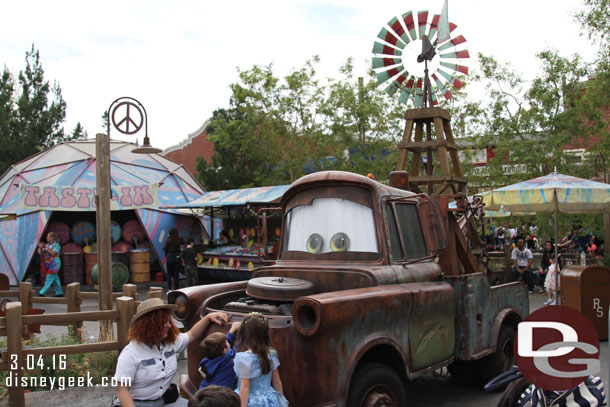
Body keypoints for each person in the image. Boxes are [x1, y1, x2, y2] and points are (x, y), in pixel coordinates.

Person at [113, 298, 228, 407]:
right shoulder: (130, 354)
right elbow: (123, 391)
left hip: (165, 400)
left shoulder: (169, 343)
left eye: (169, 321)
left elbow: (192, 334)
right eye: (163, 322)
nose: (168, 325)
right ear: (149, 325)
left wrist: (208, 317)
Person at [234, 313, 288, 407]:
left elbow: (245, 387)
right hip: (270, 399)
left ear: (245, 335)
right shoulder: (271, 354)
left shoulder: (244, 358)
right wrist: (282, 401)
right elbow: (277, 381)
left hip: (249, 400)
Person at [198, 322, 241, 390]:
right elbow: (239, 347)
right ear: (225, 351)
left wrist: (232, 330)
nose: (227, 341)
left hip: (204, 389)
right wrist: (243, 332)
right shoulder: (228, 357)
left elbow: (222, 344)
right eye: (226, 342)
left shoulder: (206, 360)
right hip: (221, 393)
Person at [38, 232, 63, 297]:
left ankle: (42, 292)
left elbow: (53, 253)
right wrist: (41, 248)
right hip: (49, 262)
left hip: (55, 262)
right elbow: (43, 253)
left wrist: (46, 249)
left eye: (48, 237)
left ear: (52, 238)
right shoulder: (48, 245)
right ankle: (59, 292)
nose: (47, 238)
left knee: (49, 277)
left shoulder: (57, 245)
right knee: (55, 278)